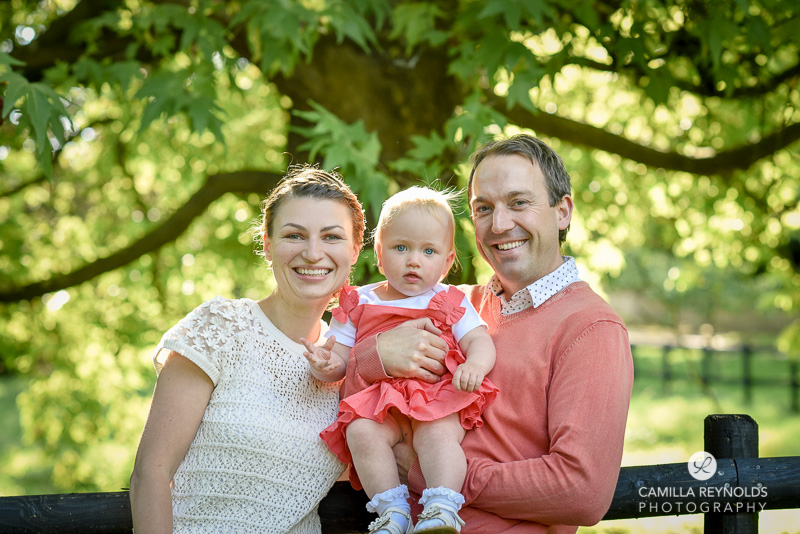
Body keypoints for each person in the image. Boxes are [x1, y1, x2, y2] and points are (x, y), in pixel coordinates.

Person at [347, 135, 634, 533]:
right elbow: (345, 407)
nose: (499, 225)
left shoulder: (590, 328)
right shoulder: (451, 305)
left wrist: (422, 471)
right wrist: (374, 355)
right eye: (484, 208)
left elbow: (580, 492)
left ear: (562, 211)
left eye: (519, 202)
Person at [129, 165, 365, 533]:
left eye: (331, 237)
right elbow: (151, 473)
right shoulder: (221, 326)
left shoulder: (353, 360)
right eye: (294, 235)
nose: (313, 252)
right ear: (268, 246)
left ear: (354, 250)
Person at [301, 186, 498, 534]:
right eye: (401, 247)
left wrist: (475, 365)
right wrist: (325, 364)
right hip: (380, 405)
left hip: (436, 397)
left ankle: (442, 507)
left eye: (428, 251)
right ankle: (392, 513)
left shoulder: (450, 299)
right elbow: (342, 358)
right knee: (361, 432)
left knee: (436, 437)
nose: (414, 260)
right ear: (379, 253)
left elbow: (480, 339)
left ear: (447, 261)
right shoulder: (358, 301)